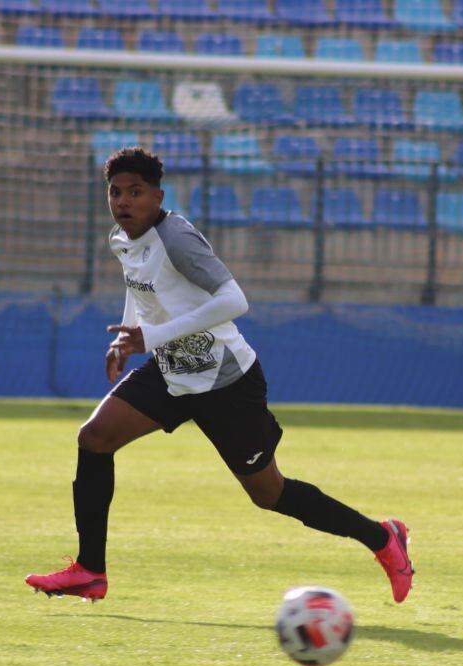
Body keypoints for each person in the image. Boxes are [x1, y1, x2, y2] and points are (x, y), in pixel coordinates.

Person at [26, 147, 413, 604]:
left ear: (158, 196)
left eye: (135, 192)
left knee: (269, 494)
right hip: (171, 372)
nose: (124, 202)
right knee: (94, 438)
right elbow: (140, 290)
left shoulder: (177, 239)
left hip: (226, 383)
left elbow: (234, 300)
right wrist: (125, 339)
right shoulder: (122, 237)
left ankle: (383, 538)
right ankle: (90, 570)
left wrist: (153, 337)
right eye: (115, 192)